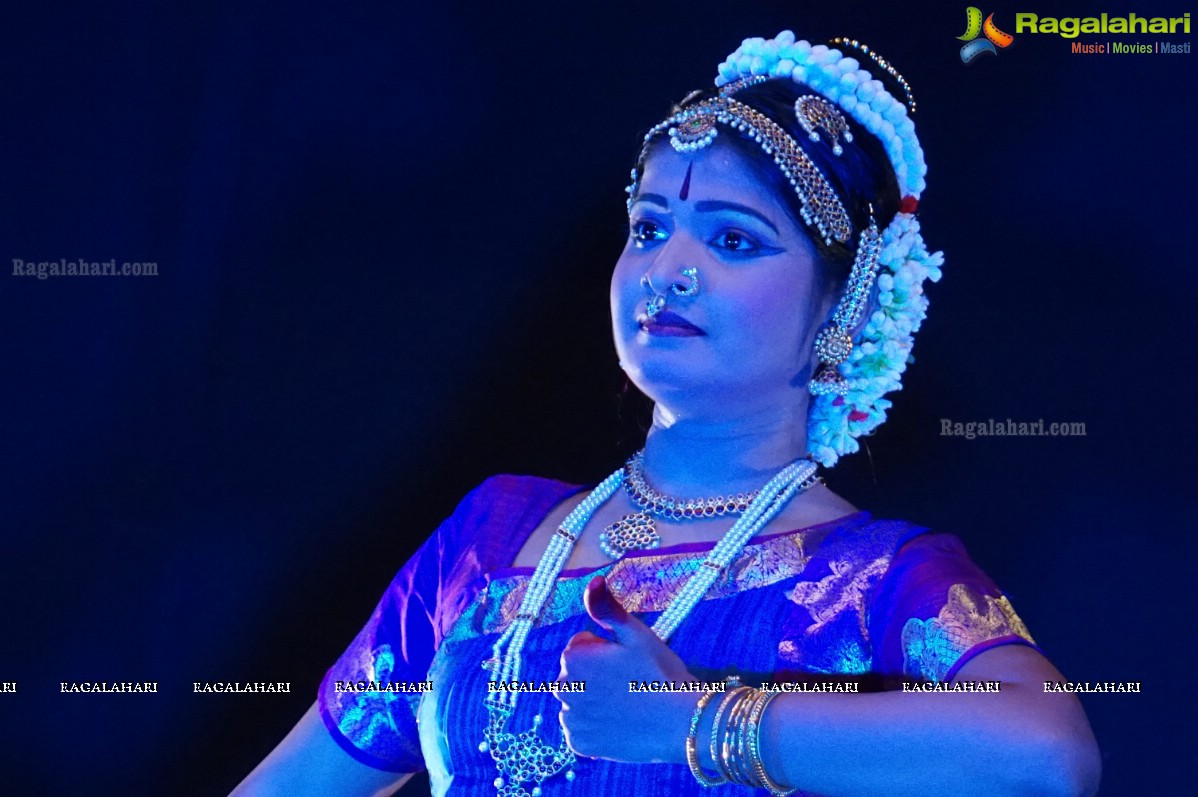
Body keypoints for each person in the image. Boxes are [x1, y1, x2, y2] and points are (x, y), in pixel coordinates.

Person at [232, 31, 1101, 797]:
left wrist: (694, 724)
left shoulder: (871, 579)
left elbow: (1046, 757)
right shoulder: (491, 537)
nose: (669, 269)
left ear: (842, 309)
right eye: (649, 228)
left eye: (732, 240)